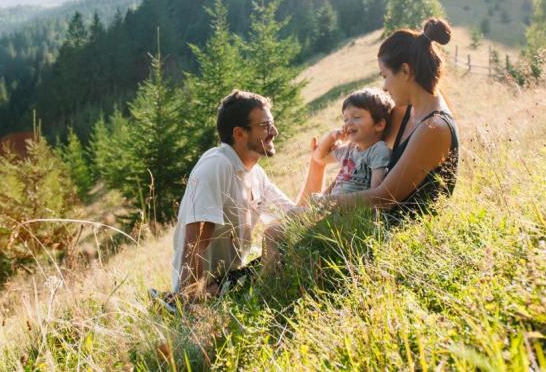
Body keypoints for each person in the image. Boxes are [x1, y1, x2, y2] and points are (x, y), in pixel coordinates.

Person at [151, 90, 295, 311]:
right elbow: (195, 243)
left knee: (290, 247)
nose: (273, 131)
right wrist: (193, 301)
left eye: (272, 124)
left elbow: (294, 216)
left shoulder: (255, 174)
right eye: (265, 126)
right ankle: (178, 302)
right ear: (239, 133)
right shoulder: (216, 166)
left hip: (229, 281)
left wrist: (318, 164)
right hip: (205, 287)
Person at [308, 18, 459, 218]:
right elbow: (359, 157)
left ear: (405, 71)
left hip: (398, 232)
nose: (385, 87)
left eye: (385, 76)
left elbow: (385, 198)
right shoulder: (404, 111)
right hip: (371, 218)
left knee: (276, 234)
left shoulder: (434, 127)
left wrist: (324, 202)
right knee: (278, 230)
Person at [312, 88, 394, 195]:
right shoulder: (348, 150)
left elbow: (375, 194)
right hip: (330, 206)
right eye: (345, 119)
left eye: (356, 117)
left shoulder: (378, 150)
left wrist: (334, 203)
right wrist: (332, 136)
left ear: (379, 125)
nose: (348, 123)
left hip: (349, 208)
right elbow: (319, 158)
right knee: (293, 211)